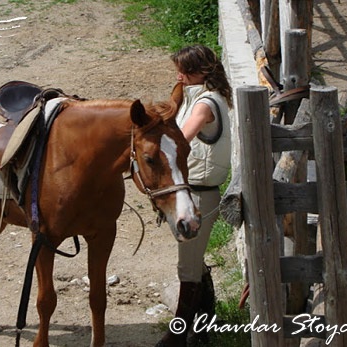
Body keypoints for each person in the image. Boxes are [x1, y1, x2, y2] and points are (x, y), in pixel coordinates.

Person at [156, 44, 233, 347]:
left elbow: (181, 141)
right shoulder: (202, 98)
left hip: (200, 195)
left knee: (187, 268)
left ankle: (176, 336)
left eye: (185, 71)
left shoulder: (204, 104)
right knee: (194, 262)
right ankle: (204, 325)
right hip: (197, 192)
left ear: (201, 72)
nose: (179, 75)